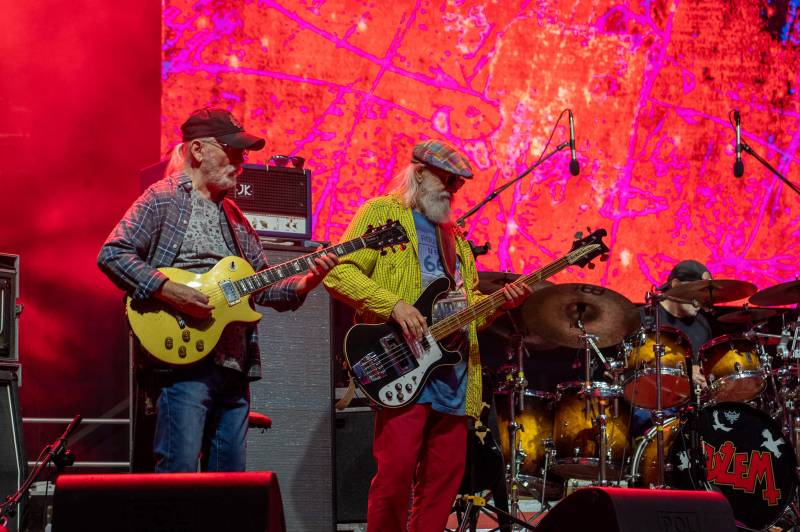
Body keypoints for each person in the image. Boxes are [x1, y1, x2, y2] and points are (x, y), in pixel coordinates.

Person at [97, 107, 337, 472]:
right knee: (177, 475)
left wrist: (309, 281)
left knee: (230, 486)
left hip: (234, 368)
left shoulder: (236, 218)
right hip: (183, 364)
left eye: (243, 153)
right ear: (197, 150)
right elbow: (113, 254)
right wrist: (168, 290)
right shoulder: (163, 199)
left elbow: (262, 287)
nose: (241, 162)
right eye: (232, 150)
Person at [323, 139, 531, 531]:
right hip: (403, 364)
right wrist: (393, 305)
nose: (453, 190)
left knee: (442, 483)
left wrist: (498, 305)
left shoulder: (456, 238)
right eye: (447, 180)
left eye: (458, 184)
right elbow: (338, 273)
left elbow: (467, 312)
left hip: (453, 374)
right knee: (396, 474)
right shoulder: (382, 213)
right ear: (419, 173)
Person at [630, 259, 713, 436]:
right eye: (698, 290)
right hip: (649, 403)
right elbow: (629, 372)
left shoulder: (702, 325)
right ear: (676, 284)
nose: (702, 298)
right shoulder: (643, 318)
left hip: (691, 405)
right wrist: (685, 373)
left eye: (705, 293)